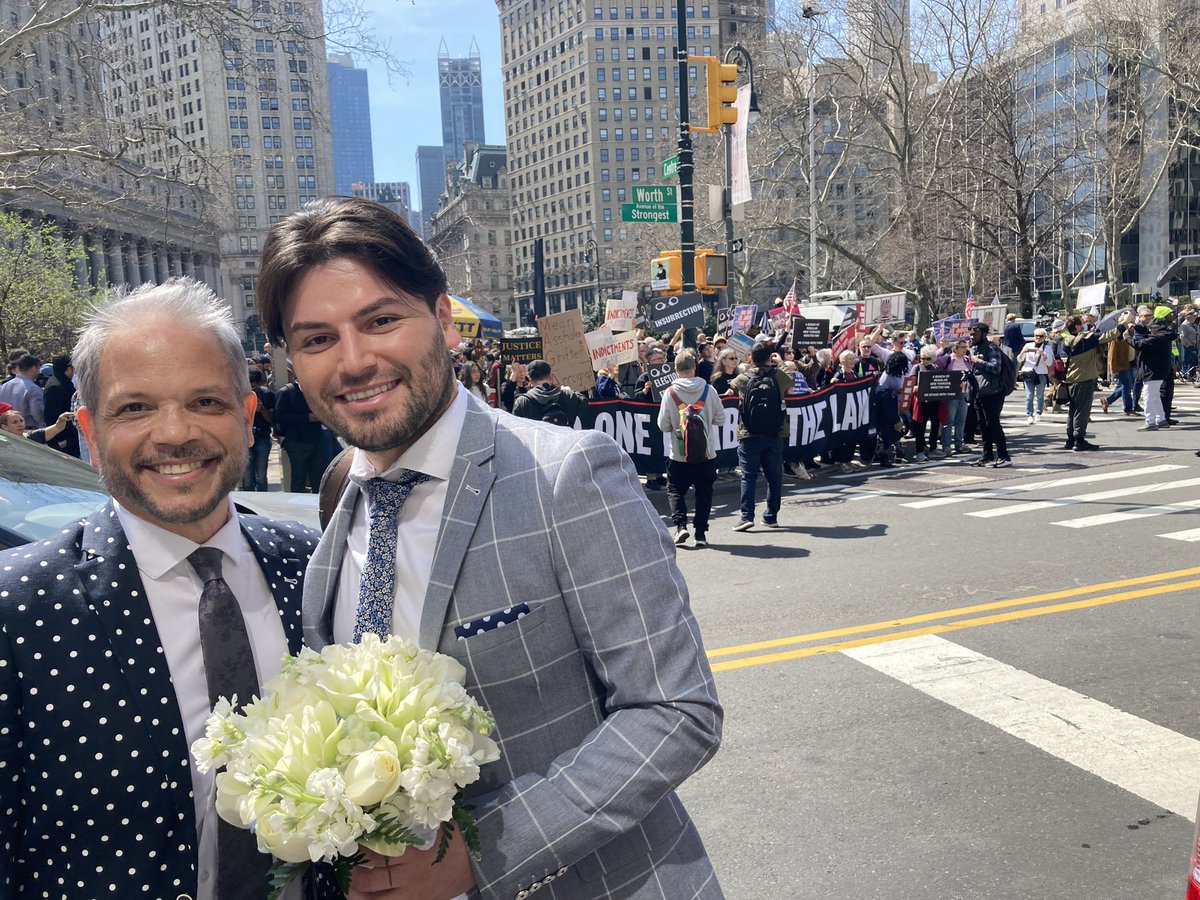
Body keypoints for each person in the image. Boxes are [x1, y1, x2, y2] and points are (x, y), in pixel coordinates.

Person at [254, 196, 723, 900]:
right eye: (317, 339)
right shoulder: (339, 496)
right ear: (290, 358)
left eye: (381, 320)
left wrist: (484, 855)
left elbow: (676, 710)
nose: (355, 360)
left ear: (441, 319)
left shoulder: (566, 473)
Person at [0, 279, 322, 899]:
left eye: (205, 402)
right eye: (135, 408)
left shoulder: (314, 567)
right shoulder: (19, 611)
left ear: (248, 418)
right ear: (90, 434)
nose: (174, 433)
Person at [657, 348, 724, 548]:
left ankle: (680, 526)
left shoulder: (670, 393)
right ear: (694, 367)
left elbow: (663, 425)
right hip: (706, 453)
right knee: (704, 492)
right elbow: (721, 419)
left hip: (679, 455)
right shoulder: (709, 390)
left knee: (675, 490)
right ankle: (701, 534)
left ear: (676, 369)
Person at [729, 341, 793, 529]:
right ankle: (771, 516)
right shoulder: (779, 375)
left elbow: (733, 386)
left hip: (749, 433)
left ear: (751, 357)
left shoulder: (743, 378)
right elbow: (791, 380)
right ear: (769, 357)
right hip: (775, 432)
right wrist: (779, 362)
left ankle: (747, 516)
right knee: (774, 477)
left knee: (748, 476)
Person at [1060, 314, 1119, 451]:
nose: (1084, 325)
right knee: (1082, 411)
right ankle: (1079, 440)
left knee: (1073, 411)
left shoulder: (1065, 341)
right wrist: (1122, 324)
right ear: (1077, 327)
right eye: (1081, 323)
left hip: (1070, 379)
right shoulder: (1084, 340)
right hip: (1083, 379)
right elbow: (1108, 336)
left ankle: (1070, 439)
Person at [1125, 306, 1177, 431]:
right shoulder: (1163, 336)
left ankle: (1150, 421)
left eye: (1152, 328)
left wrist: (1127, 337)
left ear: (1157, 328)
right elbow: (1145, 335)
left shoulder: (1157, 338)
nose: (1150, 330)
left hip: (1152, 370)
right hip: (1158, 370)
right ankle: (1161, 419)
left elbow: (1140, 344)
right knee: (1154, 396)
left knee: (1148, 396)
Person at [968, 323, 1012, 467]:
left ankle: (1003, 456)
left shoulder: (992, 348)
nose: (971, 336)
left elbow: (995, 367)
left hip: (993, 392)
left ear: (983, 334)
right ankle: (987, 456)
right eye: (971, 334)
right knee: (983, 425)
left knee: (992, 423)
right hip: (978, 391)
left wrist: (977, 361)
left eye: (975, 334)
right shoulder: (974, 348)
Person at [274, 376, 326, 491]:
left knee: (319, 479)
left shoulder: (315, 391)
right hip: (297, 443)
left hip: (317, 441)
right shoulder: (287, 392)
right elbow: (280, 418)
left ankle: (319, 506)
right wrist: (307, 418)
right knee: (298, 480)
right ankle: (297, 506)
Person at [510, 358, 588, 425]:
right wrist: (569, 392)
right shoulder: (567, 395)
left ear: (530, 379)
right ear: (551, 376)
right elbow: (584, 402)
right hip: (565, 441)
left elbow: (516, 428)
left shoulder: (522, 402)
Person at [40, 354, 81, 457]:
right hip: (63, 438)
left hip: (70, 434)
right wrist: (60, 438)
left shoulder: (63, 382)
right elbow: (50, 416)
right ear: (68, 369)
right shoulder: (56, 387)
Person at [244, 367, 276, 491]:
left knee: (261, 476)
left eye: (254, 384)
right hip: (245, 439)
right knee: (247, 477)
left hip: (262, 436)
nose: (252, 388)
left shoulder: (267, 395)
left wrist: (262, 409)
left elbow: (272, 420)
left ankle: (262, 499)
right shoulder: (239, 396)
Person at [1017, 327, 1055, 424]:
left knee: (1039, 394)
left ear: (1044, 337)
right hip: (1028, 373)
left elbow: (1049, 362)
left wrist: (1043, 354)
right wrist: (1023, 352)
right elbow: (1019, 360)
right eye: (1036, 336)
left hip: (1041, 373)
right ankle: (1029, 414)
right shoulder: (1028, 345)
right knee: (1029, 395)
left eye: (1041, 336)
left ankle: (1038, 413)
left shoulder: (1047, 348)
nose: (1038, 338)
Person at [0, 352, 44, 428]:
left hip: (7, 430)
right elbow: (37, 414)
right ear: (34, 368)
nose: (38, 371)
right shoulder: (33, 389)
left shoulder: (4, 386)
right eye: (38, 368)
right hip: (27, 430)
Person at [0, 408, 73, 443]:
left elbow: (57, 427)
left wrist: (61, 420)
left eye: (21, 421)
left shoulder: (32, 436)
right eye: (15, 422)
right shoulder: (3, 443)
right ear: (5, 426)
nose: (20, 424)